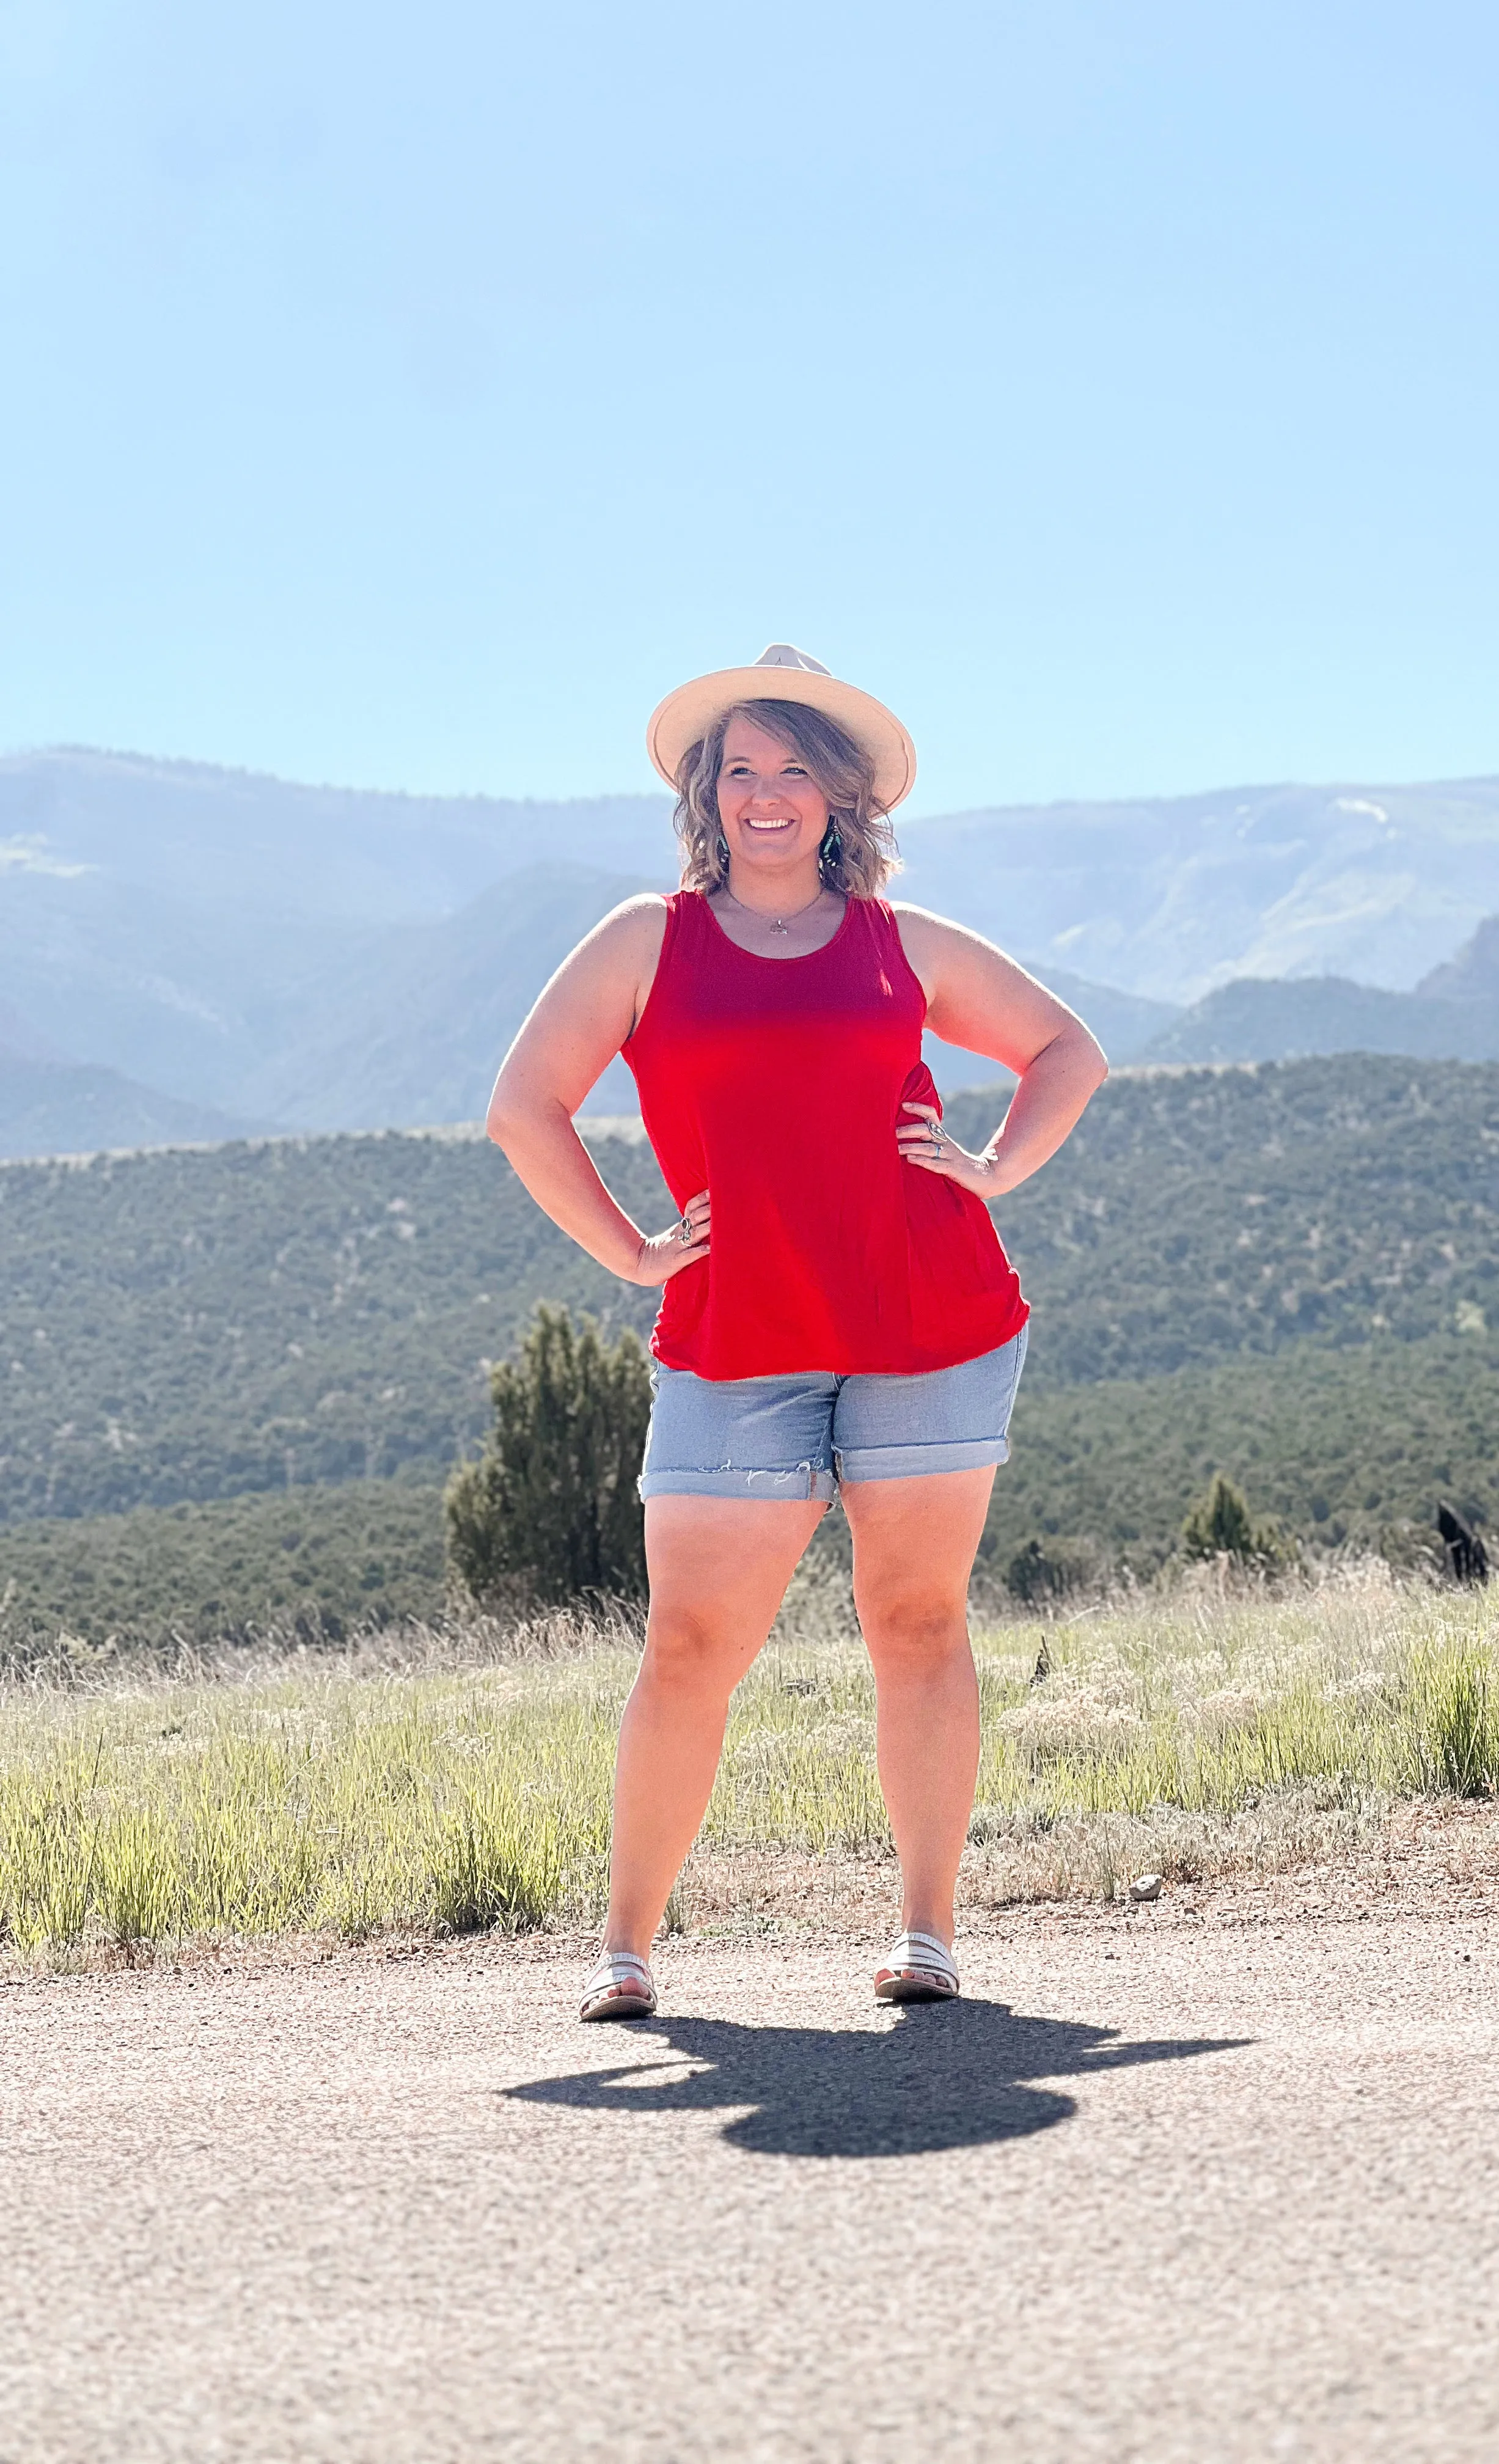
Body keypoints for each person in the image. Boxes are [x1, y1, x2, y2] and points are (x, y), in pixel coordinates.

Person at [486, 644, 1107, 2018]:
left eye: (796, 771)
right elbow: (523, 1106)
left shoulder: (900, 941)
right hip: (734, 1333)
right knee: (692, 1644)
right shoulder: (649, 938)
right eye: (741, 768)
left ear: (842, 798)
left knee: (918, 1619)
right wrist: (635, 1252)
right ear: (707, 792)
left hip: (928, 1320)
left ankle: (929, 1935)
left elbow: (1069, 1051)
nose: (767, 794)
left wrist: (993, 1166)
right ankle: (628, 1949)